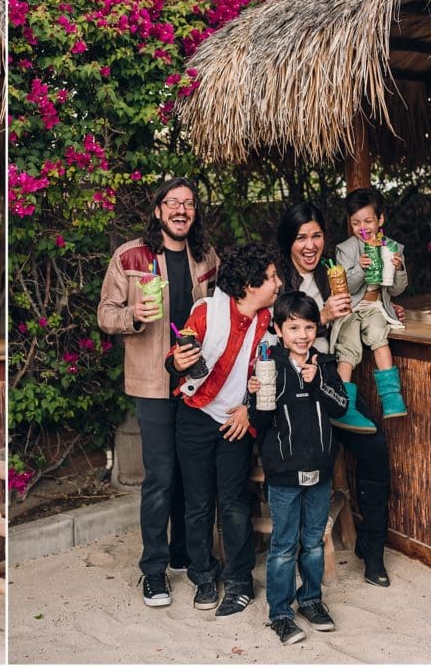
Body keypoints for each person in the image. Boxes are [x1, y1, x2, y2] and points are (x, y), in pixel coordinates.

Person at [97, 177, 219, 608]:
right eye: (173, 203)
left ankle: (185, 555)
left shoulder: (206, 256)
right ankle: (153, 570)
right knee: (161, 477)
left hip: (198, 381)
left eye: (189, 203)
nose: (181, 210)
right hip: (152, 383)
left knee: (191, 475)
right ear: (158, 210)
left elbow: (221, 311)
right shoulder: (131, 255)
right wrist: (133, 313)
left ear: (195, 212)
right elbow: (105, 314)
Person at [275, 201, 393, 586]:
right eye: (300, 238)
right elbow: (270, 340)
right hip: (292, 389)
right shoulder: (279, 283)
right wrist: (321, 318)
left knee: (374, 447)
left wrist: (388, 308)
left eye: (316, 236)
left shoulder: (333, 273)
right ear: (287, 242)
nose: (310, 245)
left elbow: (364, 303)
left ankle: (371, 551)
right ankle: (292, 551)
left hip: (330, 381)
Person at [167, 242, 281, 616]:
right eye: (272, 277)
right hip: (196, 416)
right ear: (249, 285)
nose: (279, 283)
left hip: (235, 421)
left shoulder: (270, 320)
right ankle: (203, 575)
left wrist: (249, 412)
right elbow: (179, 353)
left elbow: (270, 376)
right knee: (198, 504)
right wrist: (178, 361)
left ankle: (240, 580)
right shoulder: (207, 310)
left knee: (233, 505)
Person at [248, 291, 349, 645]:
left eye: (308, 327)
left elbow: (340, 407)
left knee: (314, 542)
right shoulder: (269, 367)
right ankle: (280, 613)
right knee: (283, 545)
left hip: (319, 471)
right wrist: (256, 393)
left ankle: (311, 600)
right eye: (293, 327)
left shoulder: (324, 365)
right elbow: (258, 422)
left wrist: (318, 382)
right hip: (284, 475)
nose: (302, 335)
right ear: (278, 329)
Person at [332, 187, 408, 419]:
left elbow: (397, 289)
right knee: (348, 347)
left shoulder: (393, 248)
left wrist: (399, 268)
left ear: (380, 219)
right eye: (356, 223)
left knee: (379, 336)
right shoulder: (346, 250)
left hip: (376, 309)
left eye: (368, 221)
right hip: (351, 309)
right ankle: (344, 405)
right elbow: (347, 287)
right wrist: (360, 269)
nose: (362, 228)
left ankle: (392, 398)